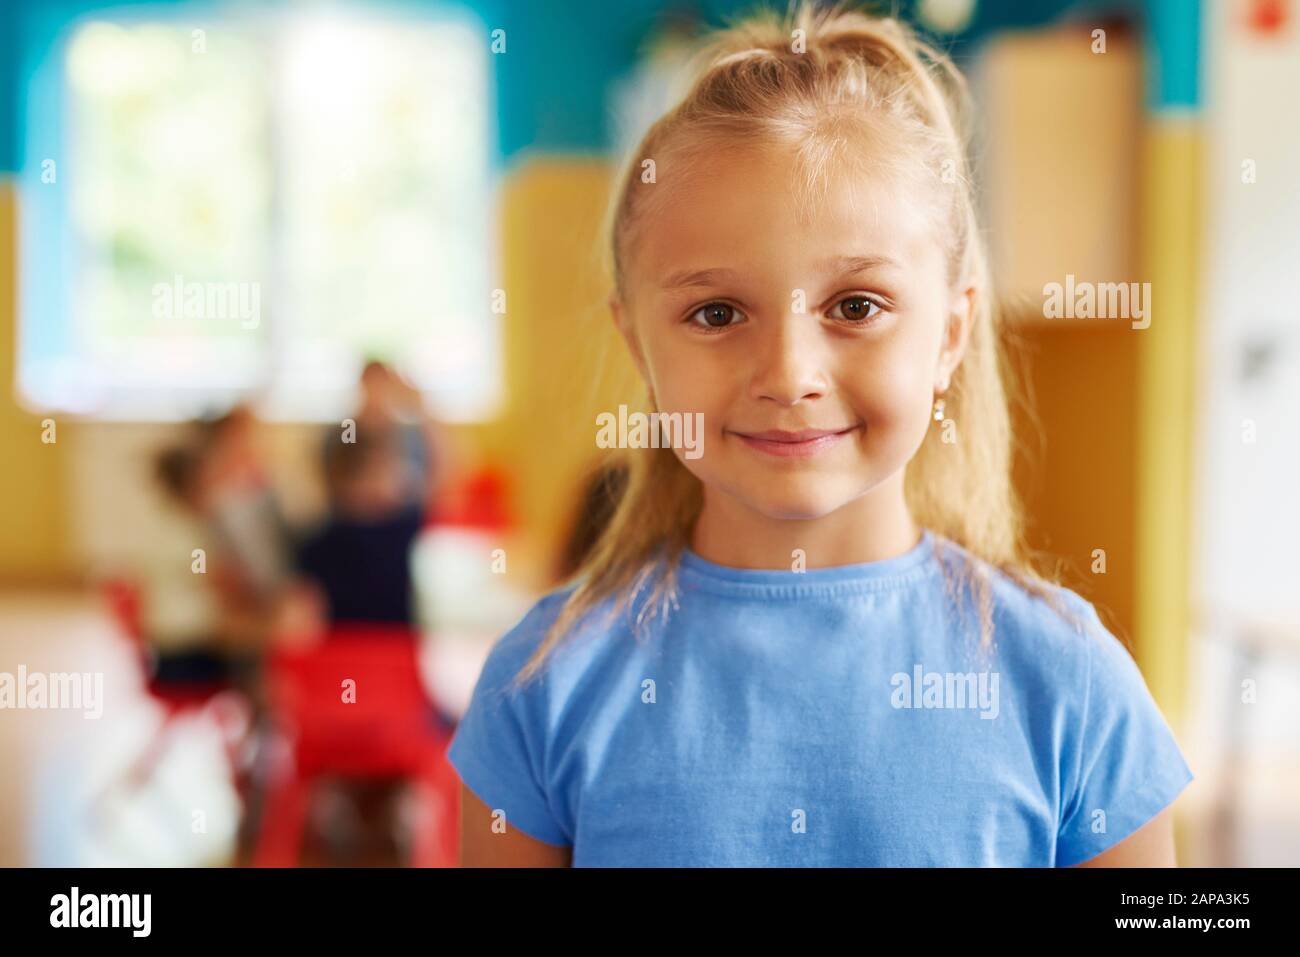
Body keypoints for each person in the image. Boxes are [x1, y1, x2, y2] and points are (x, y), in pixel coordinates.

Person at [447, 2, 1194, 867]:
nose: (791, 371)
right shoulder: (540, 687)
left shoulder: (1072, 685)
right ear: (639, 347)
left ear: (949, 336)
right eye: (717, 311)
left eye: (856, 306)